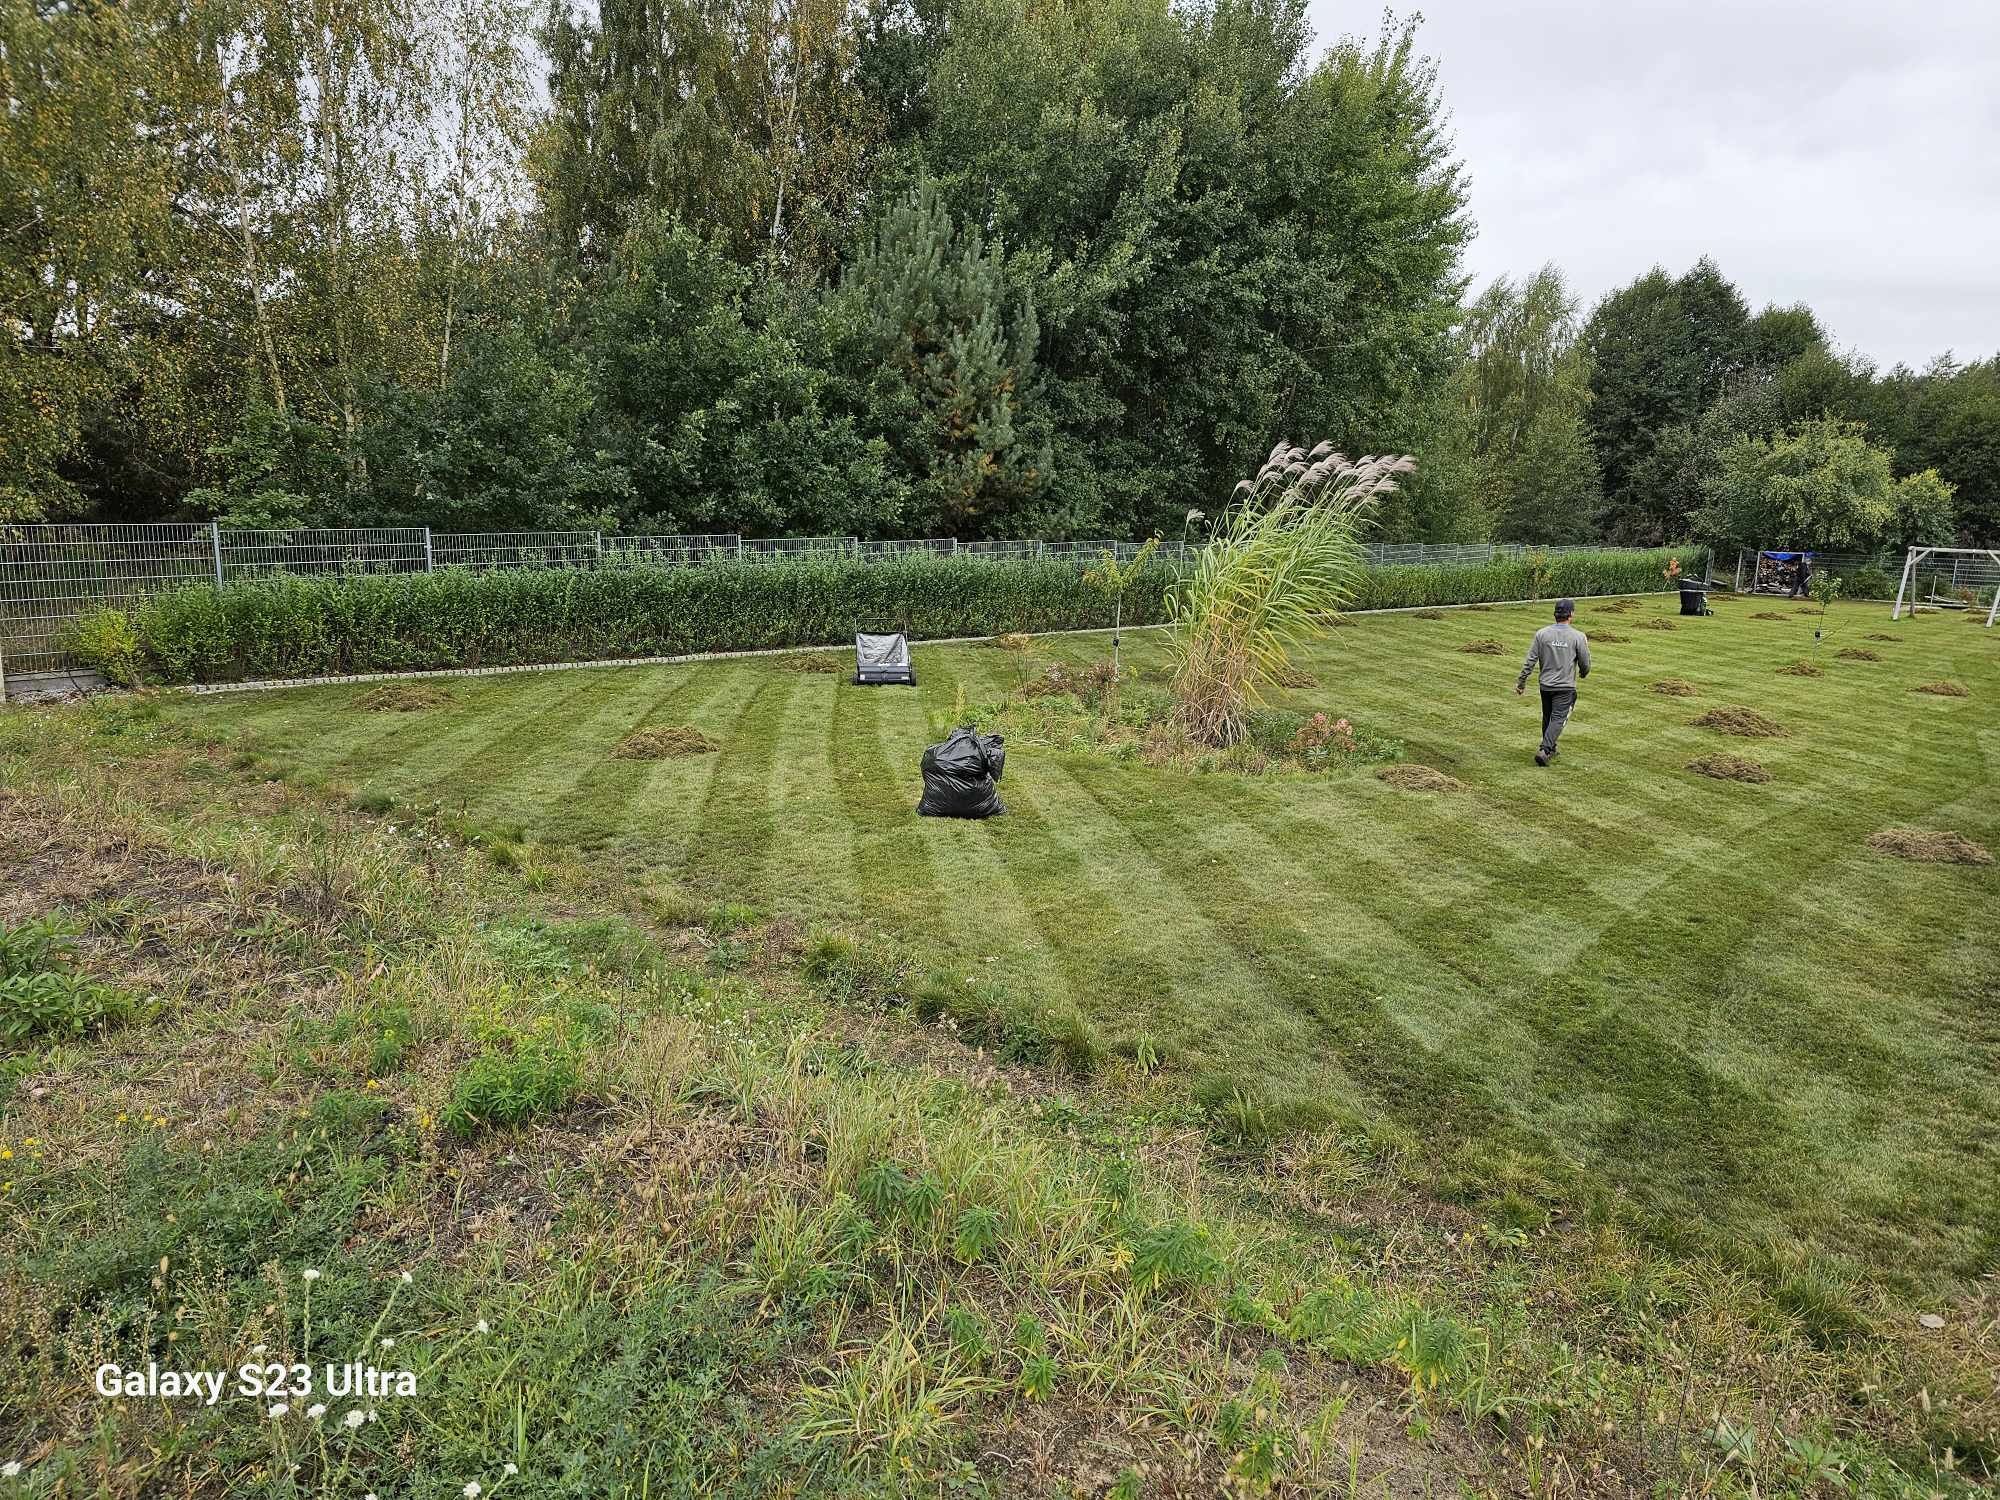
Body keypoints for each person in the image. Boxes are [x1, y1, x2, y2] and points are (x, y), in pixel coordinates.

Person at [1515, 598, 1591, 766]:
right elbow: (1585, 663)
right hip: (1565, 687)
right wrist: (1584, 673)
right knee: (1558, 718)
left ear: (1555, 614)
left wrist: (1521, 682)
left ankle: (1551, 747)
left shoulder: (1542, 634)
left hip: (1545, 686)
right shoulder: (1578, 637)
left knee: (1548, 717)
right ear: (1571, 614)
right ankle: (1545, 749)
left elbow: (1530, 661)